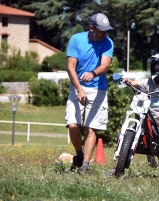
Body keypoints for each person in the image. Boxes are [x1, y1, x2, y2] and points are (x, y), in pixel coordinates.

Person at [110, 52, 159, 180]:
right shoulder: (148, 82)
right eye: (156, 69)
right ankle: (119, 167)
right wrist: (124, 80)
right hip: (144, 115)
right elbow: (135, 83)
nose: (158, 72)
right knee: (126, 135)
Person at [65, 13, 114, 174]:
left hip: (98, 89)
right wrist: (79, 89)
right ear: (91, 28)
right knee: (73, 125)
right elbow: (70, 67)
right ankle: (79, 155)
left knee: (91, 128)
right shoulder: (76, 39)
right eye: (101, 30)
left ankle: (85, 165)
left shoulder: (108, 43)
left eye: (106, 30)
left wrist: (93, 73)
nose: (104, 33)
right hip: (77, 87)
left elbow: (105, 66)